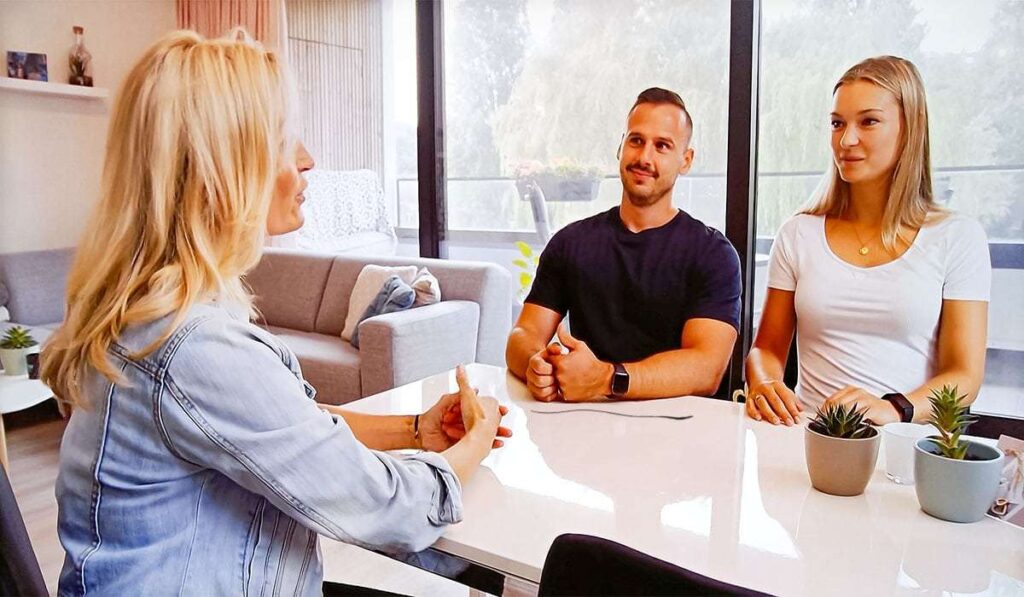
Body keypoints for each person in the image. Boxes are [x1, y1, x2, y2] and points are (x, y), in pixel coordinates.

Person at [40, 30, 509, 594]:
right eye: (285, 141)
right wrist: (474, 442)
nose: (308, 160)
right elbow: (389, 508)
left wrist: (415, 429)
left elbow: (288, 428)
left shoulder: (138, 314)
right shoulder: (194, 349)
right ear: (223, 171)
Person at [745, 56, 990, 426]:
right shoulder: (798, 234)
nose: (847, 139)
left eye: (869, 121)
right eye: (837, 123)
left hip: (900, 451)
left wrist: (894, 408)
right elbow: (766, 349)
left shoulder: (957, 238)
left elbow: (964, 377)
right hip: (803, 438)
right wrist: (764, 382)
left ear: (910, 129)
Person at [506, 88, 741, 402]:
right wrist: (537, 365)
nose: (644, 157)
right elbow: (524, 334)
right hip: (584, 426)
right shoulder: (570, 243)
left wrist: (606, 379)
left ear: (685, 160)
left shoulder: (713, 254)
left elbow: (706, 368)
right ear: (621, 147)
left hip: (680, 434)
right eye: (636, 140)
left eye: (662, 146)